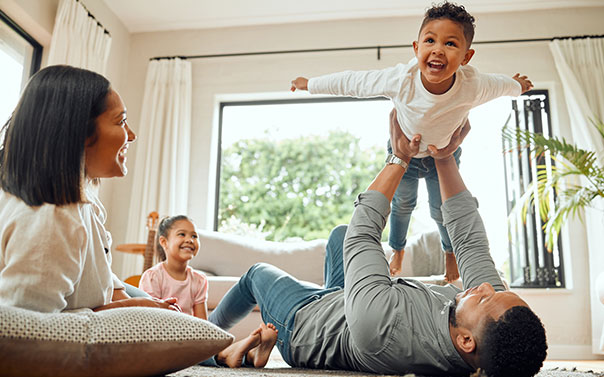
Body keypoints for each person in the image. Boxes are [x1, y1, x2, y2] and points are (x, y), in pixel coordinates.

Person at [208, 109, 547, 376]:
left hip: (304, 325)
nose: (486, 287)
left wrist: (399, 158)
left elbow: (363, 234)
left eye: (486, 297)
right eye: (498, 290)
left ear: (465, 341)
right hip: (347, 304)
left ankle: (205, 344)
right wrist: (444, 158)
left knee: (257, 274)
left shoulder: (383, 331)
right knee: (338, 235)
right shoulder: (480, 325)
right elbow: (471, 242)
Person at [0, 64, 276, 368]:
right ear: (78, 132)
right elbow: (27, 335)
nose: (131, 135)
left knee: (159, 308)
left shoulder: (82, 202)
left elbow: (102, 281)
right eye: (121, 121)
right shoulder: (52, 218)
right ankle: (223, 353)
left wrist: (135, 303)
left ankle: (223, 352)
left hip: (111, 288)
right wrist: (131, 311)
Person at [290, 1, 533, 283]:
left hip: (444, 155)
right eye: (430, 40)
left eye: (451, 44)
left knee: (441, 210)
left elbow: (502, 85)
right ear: (416, 48)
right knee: (403, 204)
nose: (438, 49)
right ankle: (398, 249)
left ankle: (450, 253)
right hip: (404, 153)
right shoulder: (400, 80)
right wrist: (311, 84)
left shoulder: (473, 85)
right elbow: (353, 82)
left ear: (467, 57)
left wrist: (518, 86)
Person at [139, 215, 209, 319]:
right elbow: (149, 318)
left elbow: (203, 323)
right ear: (164, 242)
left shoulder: (199, 280)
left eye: (194, 236)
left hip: (189, 332)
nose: (189, 240)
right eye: (182, 234)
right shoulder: (152, 277)